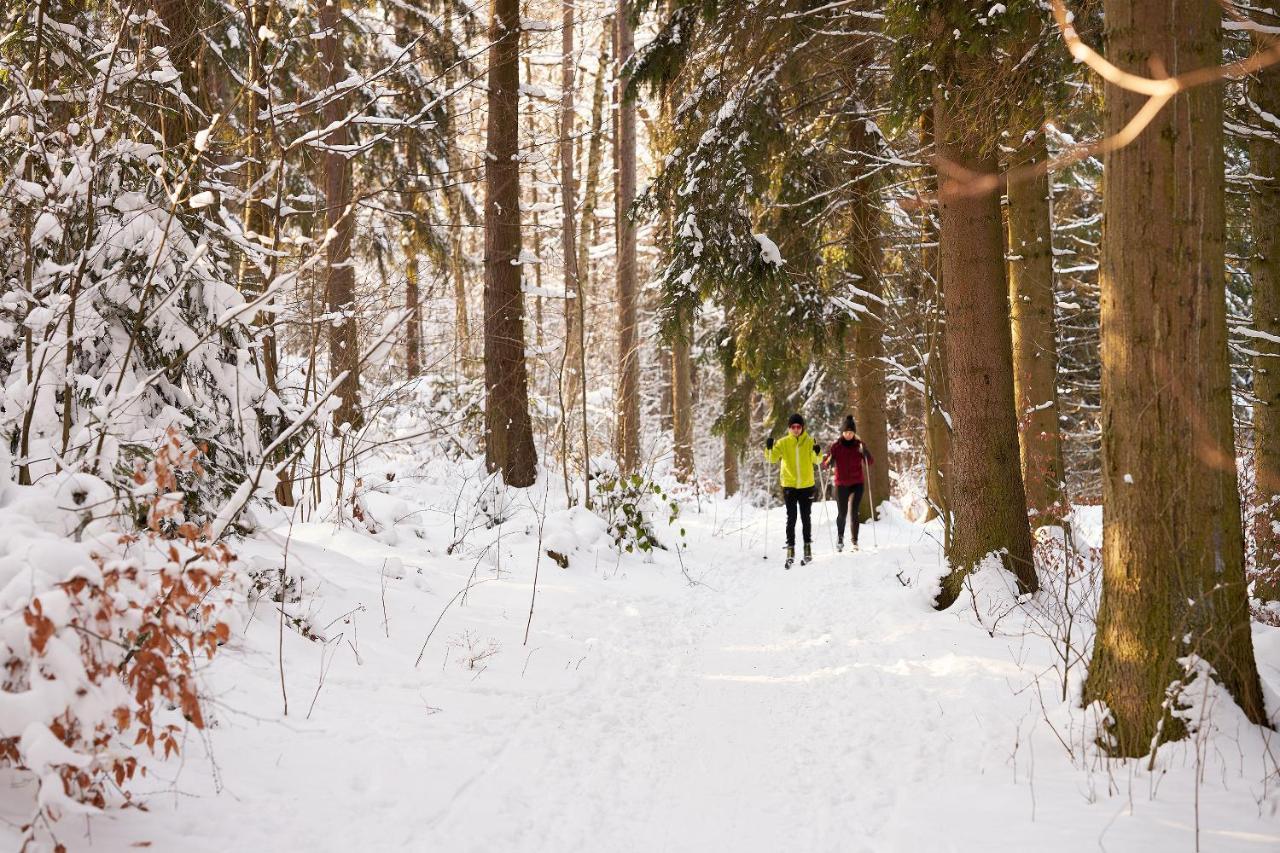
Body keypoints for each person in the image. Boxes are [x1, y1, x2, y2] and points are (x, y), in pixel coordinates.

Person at [764, 413, 823, 567]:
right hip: (789, 485)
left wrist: (817, 451)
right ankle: (790, 548)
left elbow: (817, 460)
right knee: (791, 518)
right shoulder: (783, 443)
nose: (796, 429)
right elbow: (771, 458)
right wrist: (768, 447)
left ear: (802, 427)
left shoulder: (810, 441)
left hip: (806, 485)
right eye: (793, 427)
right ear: (789, 428)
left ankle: (807, 547)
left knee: (806, 517)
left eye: (798, 426)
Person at [821, 415, 874, 551]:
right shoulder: (836, 446)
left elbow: (870, 462)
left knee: (854, 512)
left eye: (850, 432)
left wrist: (865, 452)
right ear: (842, 432)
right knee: (842, 513)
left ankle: (855, 541)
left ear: (854, 433)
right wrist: (829, 460)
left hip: (857, 483)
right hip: (841, 484)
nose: (848, 435)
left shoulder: (859, 445)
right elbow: (825, 464)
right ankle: (840, 539)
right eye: (846, 432)